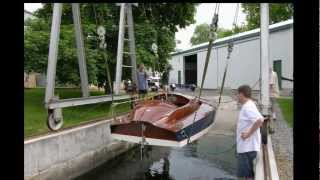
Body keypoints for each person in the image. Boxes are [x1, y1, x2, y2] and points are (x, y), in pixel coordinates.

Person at [236, 85, 264, 180]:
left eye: (238, 94)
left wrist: (248, 134)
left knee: (247, 175)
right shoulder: (248, 105)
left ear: (242, 94)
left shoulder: (248, 107)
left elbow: (260, 120)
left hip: (247, 148)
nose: (237, 96)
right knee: (248, 175)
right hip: (246, 147)